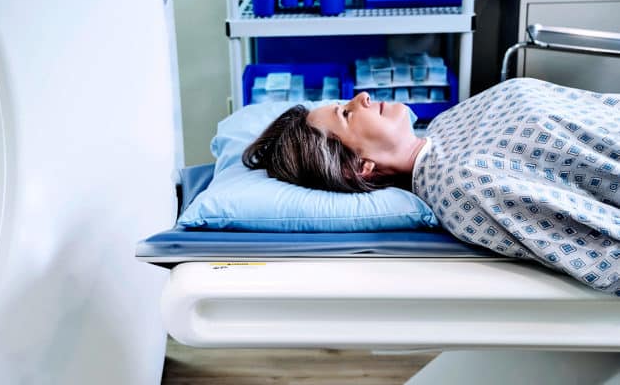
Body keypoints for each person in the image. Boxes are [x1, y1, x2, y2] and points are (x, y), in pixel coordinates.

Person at [243, 78, 620, 295]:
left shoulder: (444, 125)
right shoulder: (464, 184)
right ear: (361, 166)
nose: (361, 97)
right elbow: (602, 255)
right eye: (346, 114)